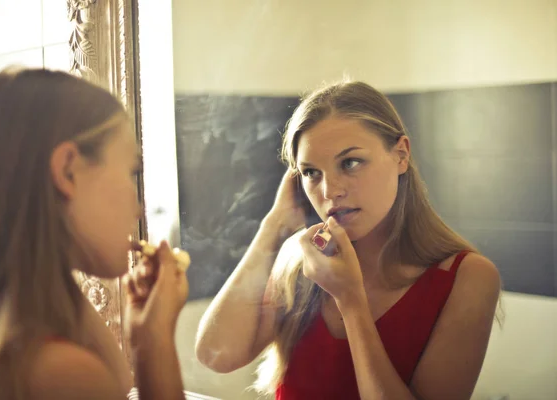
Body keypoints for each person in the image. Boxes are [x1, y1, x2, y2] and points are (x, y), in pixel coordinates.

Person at [195, 80, 502, 399]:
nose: (330, 192)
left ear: (400, 155)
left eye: (350, 163)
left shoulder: (468, 277)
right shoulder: (301, 258)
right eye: (312, 173)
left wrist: (351, 301)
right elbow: (216, 355)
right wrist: (274, 228)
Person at [0, 67, 188, 400]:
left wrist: (145, 339)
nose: (138, 209)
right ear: (68, 170)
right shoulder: (59, 375)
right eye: (131, 171)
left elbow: (121, 383)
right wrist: (158, 345)